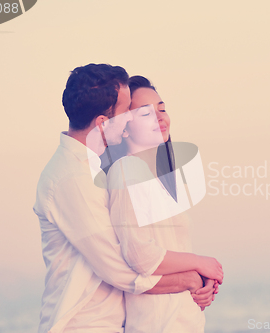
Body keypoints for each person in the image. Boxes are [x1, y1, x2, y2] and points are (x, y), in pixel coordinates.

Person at [33, 64, 216, 333]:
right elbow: (120, 267)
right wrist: (190, 277)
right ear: (102, 123)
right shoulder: (72, 178)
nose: (130, 119)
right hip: (82, 325)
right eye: (127, 112)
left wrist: (197, 277)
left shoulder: (94, 171)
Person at [105, 76, 223, 332]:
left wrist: (202, 283)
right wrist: (198, 263)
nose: (160, 118)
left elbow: (171, 250)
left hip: (185, 322)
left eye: (161, 109)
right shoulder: (126, 171)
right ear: (124, 127)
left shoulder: (159, 178)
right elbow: (139, 255)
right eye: (145, 113)